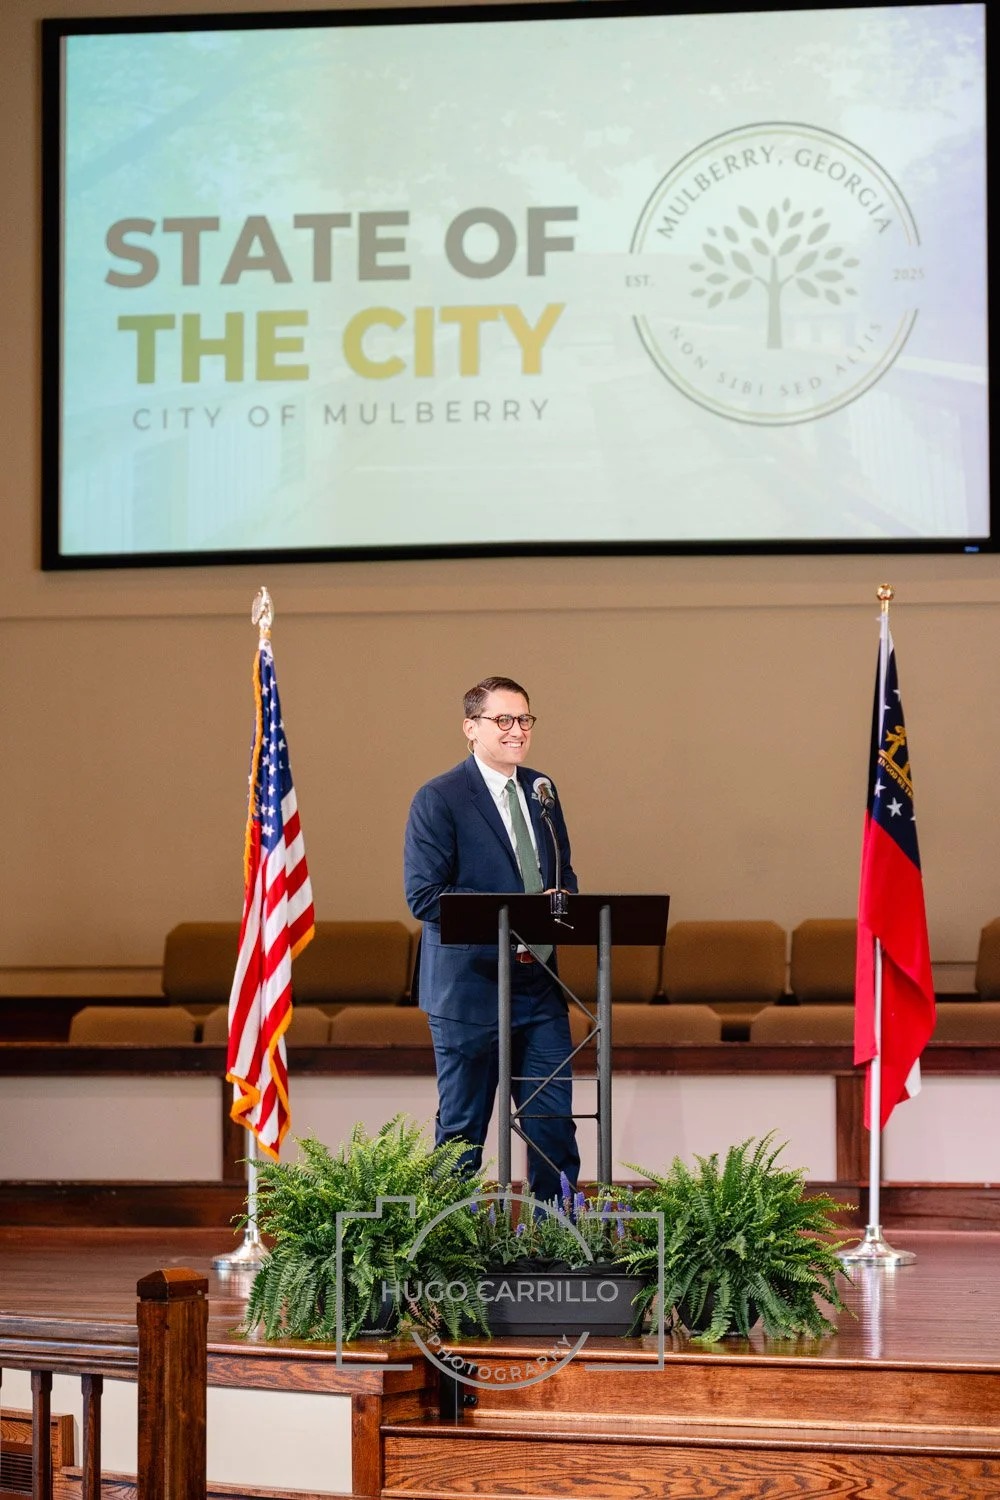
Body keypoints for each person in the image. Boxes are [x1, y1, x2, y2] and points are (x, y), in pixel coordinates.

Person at [404, 675, 580, 1201]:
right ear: (470, 728)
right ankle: (447, 1252)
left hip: (538, 985)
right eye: (503, 720)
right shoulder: (439, 798)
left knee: (553, 1127)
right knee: (462, 1131)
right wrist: (516, 912)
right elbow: (425, 897)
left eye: (524, 719)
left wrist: (560, 903)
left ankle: (556, 1250)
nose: (516, 731)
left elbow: (564, 879)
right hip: (470, 989)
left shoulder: (541, 790)